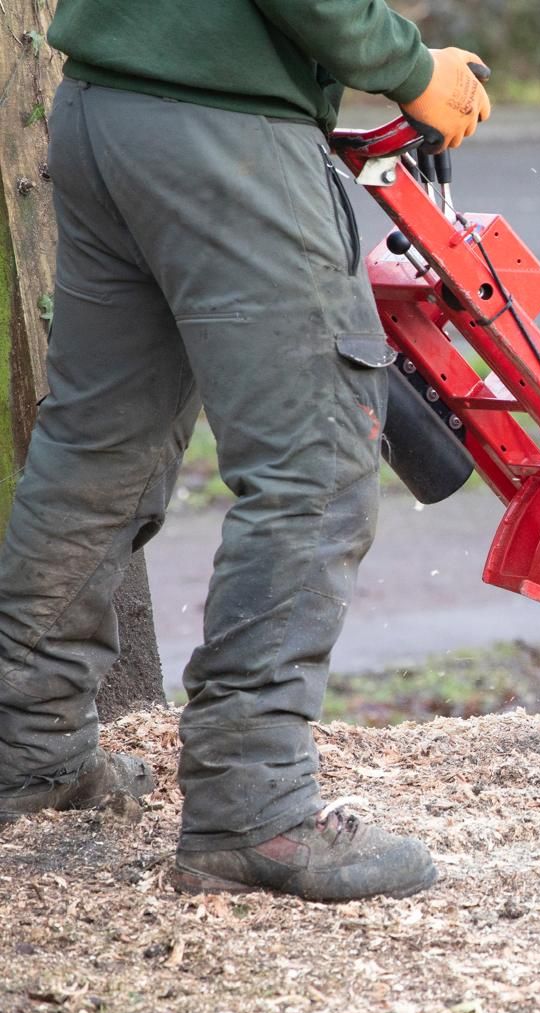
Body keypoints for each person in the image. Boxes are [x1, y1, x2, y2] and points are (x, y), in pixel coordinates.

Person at [0, 0, 491, 902]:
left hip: (108, 110)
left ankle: (22, 746)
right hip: (224, 135)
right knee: (313, 466)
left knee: (95, 452)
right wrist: (408, 66)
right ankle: (251, 811)